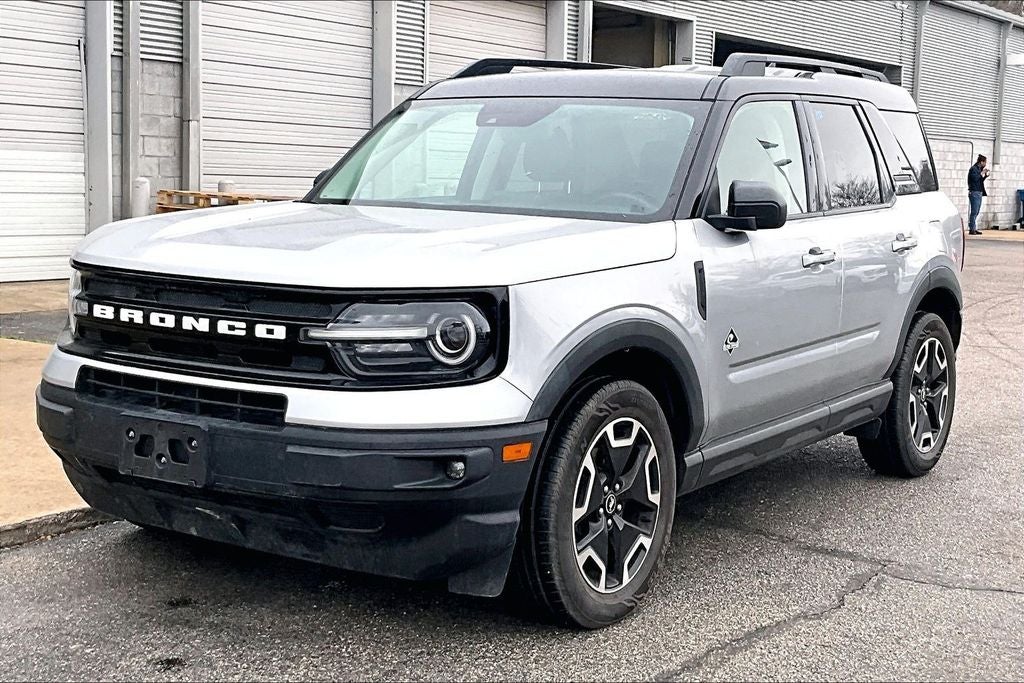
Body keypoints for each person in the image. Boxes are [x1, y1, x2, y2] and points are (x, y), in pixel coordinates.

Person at [967, 154, 989, 235]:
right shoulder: (974, 169)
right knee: (974, 211)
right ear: (981, 162)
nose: (985, 164)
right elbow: (974, 179)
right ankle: (972, 229)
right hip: (974, 192)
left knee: (977, 211)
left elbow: (979, 181)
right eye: (985, 162)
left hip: (979, 192)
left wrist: (985, 176)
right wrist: (981, 173)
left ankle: (973, 227)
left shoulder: (979, 169)